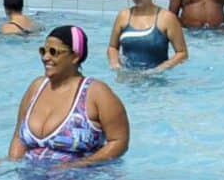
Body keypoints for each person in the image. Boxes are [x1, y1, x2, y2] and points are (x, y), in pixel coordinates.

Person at [7, 25, 131, 166]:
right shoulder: (36, 88)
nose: (46, 57)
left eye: (54, 52)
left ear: (75, 56)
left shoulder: (96, 93)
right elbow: (19, 137)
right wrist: (12, 165)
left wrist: (79, 165)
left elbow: (119, 142)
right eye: (43, 51)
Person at [107, 0, 188, 71]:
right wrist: (116, 65)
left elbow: (182, 53)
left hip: (157, 80)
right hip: (127, 79)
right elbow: (112, 47)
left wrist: (158, 70)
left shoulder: (167, 18)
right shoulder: (123, 16)